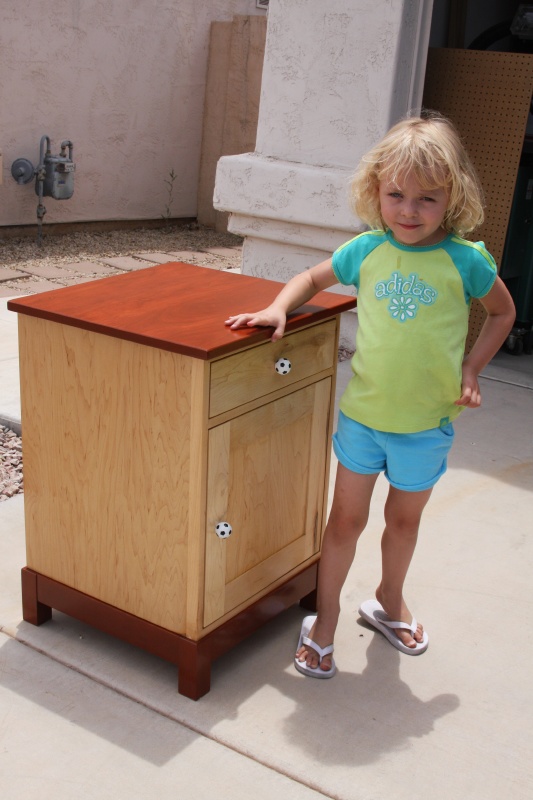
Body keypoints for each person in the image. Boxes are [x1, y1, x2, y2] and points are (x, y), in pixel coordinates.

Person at [225, 112, 515, 678]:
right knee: (344, 523)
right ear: (375, 191)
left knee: (403, 524)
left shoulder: (464, 260)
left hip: (426, 426)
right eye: (396, 195)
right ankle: (326, 619)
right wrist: (278, 307)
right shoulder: (366, 250)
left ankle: (388, 600)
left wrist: (472, 367)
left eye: (427, 199)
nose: (409, 210)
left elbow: (503, 312)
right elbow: (311, 279)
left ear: (452, 197)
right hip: (363, 421)